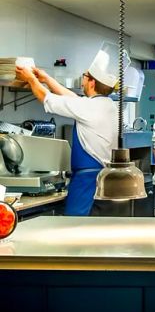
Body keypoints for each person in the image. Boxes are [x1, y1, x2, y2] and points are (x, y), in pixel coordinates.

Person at [15, 44, 120, 216]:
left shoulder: (89, 107)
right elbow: (71, 98)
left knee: (78, 231)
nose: (82, 79)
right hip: (100, 180)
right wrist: (46, 78)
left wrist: (30, 79)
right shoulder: (106, 105)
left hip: (87, 182)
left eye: (85, 76)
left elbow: (46, 98)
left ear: (92, 82)